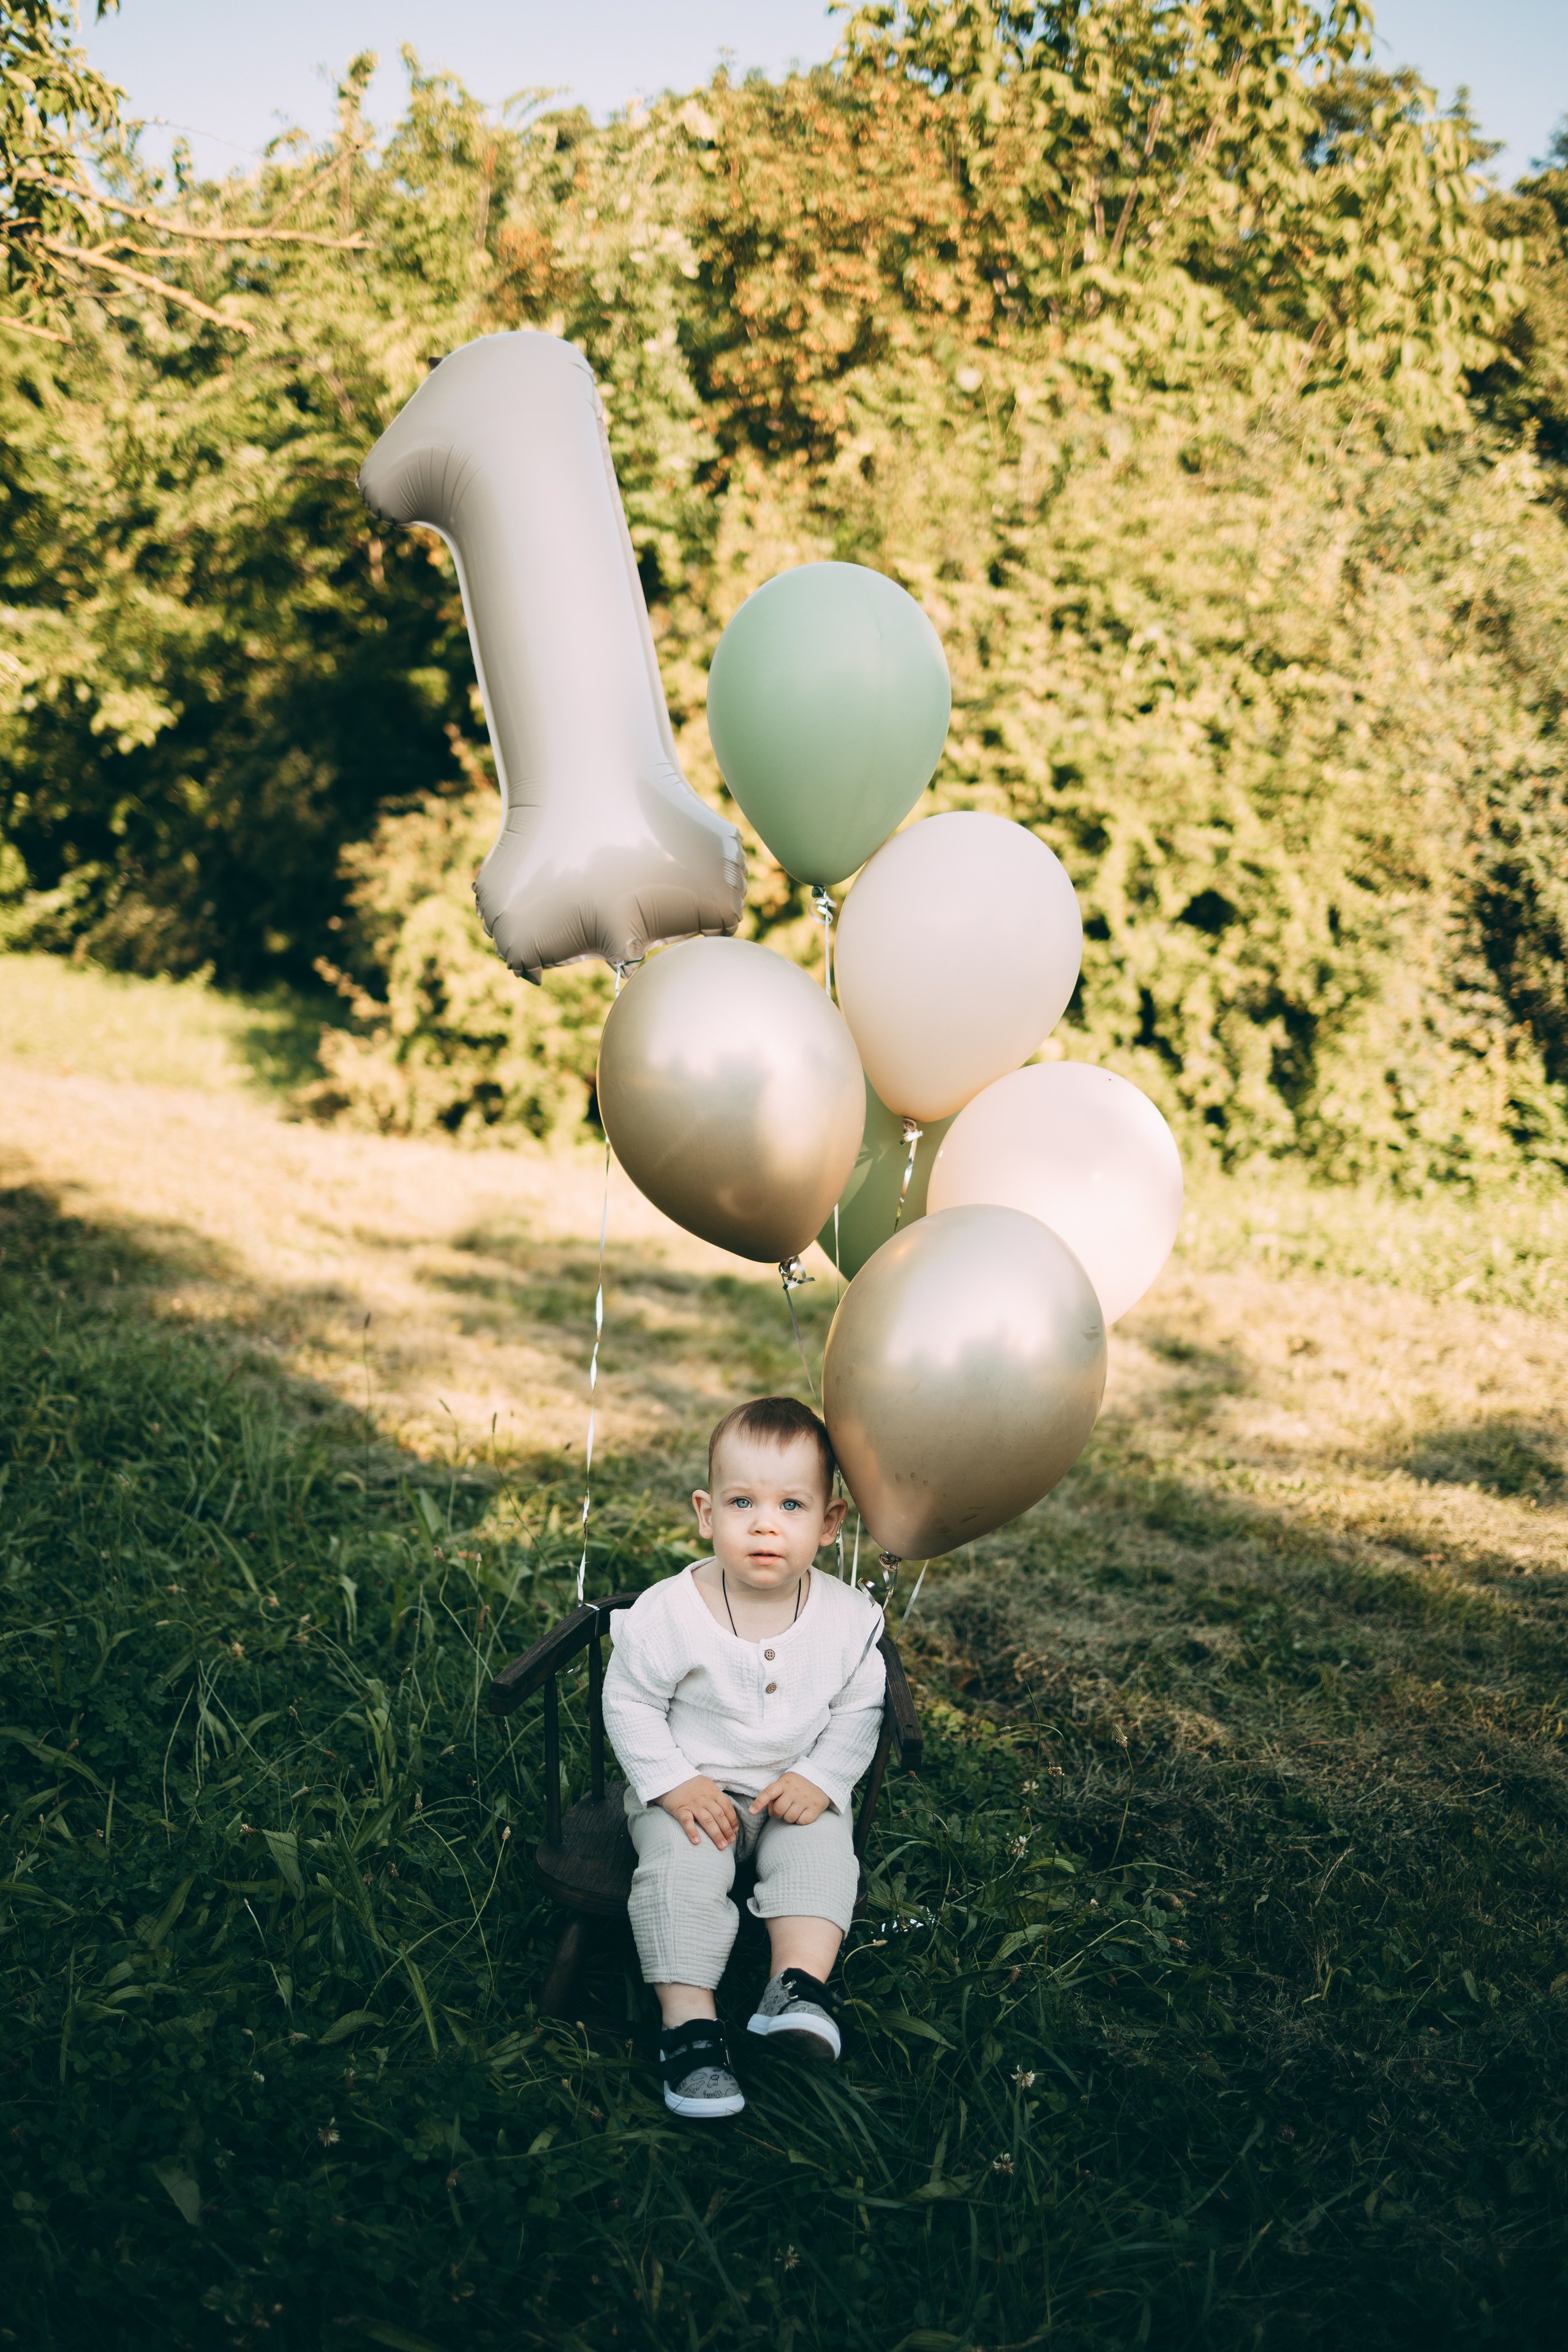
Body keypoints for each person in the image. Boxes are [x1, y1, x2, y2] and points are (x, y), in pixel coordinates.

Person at [601, 1395, 886, 2119]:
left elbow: (860, 1710)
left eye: (792, 1504)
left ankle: (795, 1989)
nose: (765, 1523)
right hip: (691, 1792)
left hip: (793, 1791)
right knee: (682, 1873)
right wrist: (671, 1783)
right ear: (705, 1513)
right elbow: (630, 1702)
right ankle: (689, 2024)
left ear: (829, 1524)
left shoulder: (849, 1619)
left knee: (822, 1860)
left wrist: (820, 1779)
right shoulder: (673, 1612)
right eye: (740, 1502)